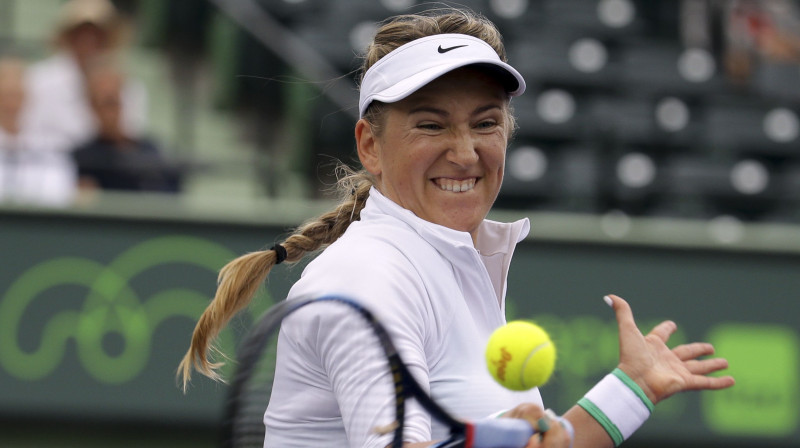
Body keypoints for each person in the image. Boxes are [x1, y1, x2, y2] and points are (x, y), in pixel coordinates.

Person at [179, 9, 735, 448]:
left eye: (486, 123)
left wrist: (631, 390)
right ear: (370, 146)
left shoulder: (444, 263)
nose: (465, 152)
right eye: (430, 124)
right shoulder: (366, 278)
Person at [24, 0, 147, 155]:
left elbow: (129, 137)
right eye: (81, 34)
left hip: (107, 169)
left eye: (97, 35)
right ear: (69, 37)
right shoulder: (38, 80)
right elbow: (30, 134)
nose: (88, 42)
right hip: (51, 169)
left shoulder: (128, 86)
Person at [71, 59, 178, 193]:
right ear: (92, 107)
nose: (117, 109)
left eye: (120, 99)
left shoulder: (152, 151)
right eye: (109, 102)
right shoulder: (85, 159)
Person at [0, 56, 76, 206]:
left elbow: (58, 193)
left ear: (26, 97)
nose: (10, 104)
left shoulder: (50, 146)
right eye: (4, 96)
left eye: (16, 95)